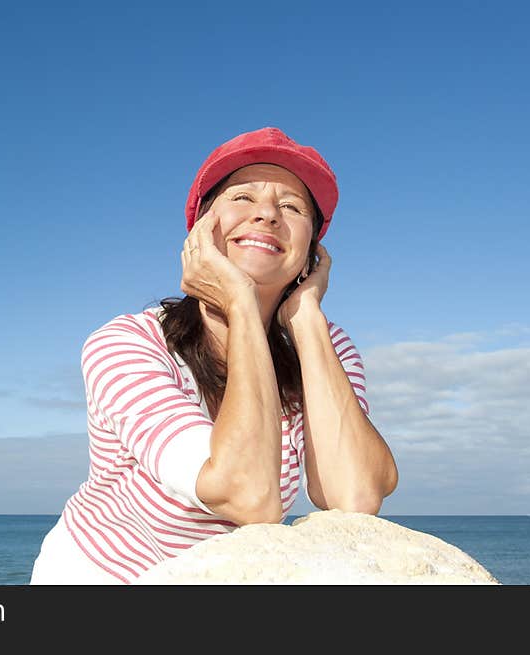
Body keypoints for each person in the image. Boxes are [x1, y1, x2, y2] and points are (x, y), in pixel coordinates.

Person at [29, 126, 398, 584]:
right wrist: (241, 304)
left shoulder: (325, 344)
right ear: (201, 231)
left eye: (291, 207)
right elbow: (244, 493)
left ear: (312, 252)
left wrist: (305, 321)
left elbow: (356, 494)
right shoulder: (127, 342)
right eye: (242, 198)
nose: (266, 215)